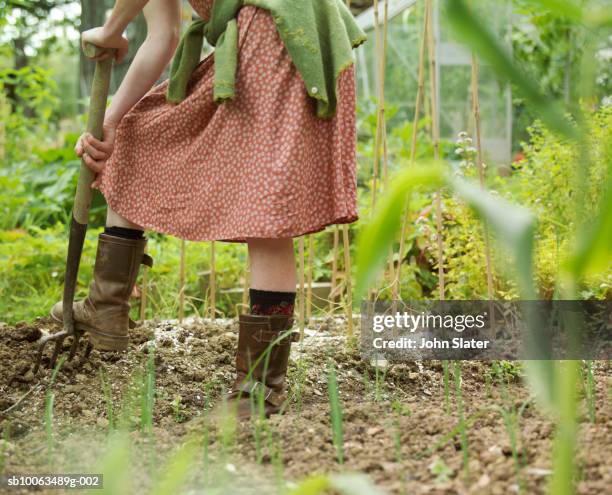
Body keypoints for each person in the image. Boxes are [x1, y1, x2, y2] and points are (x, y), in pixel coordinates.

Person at [52, 0, 365, 419]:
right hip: (298, 36)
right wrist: (111, 120)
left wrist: (110, 27)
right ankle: (106, 310)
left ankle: (257, 388)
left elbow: (126, 24)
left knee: (266, 212)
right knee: (137, 134)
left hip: (280, 30)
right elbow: (162, 38)